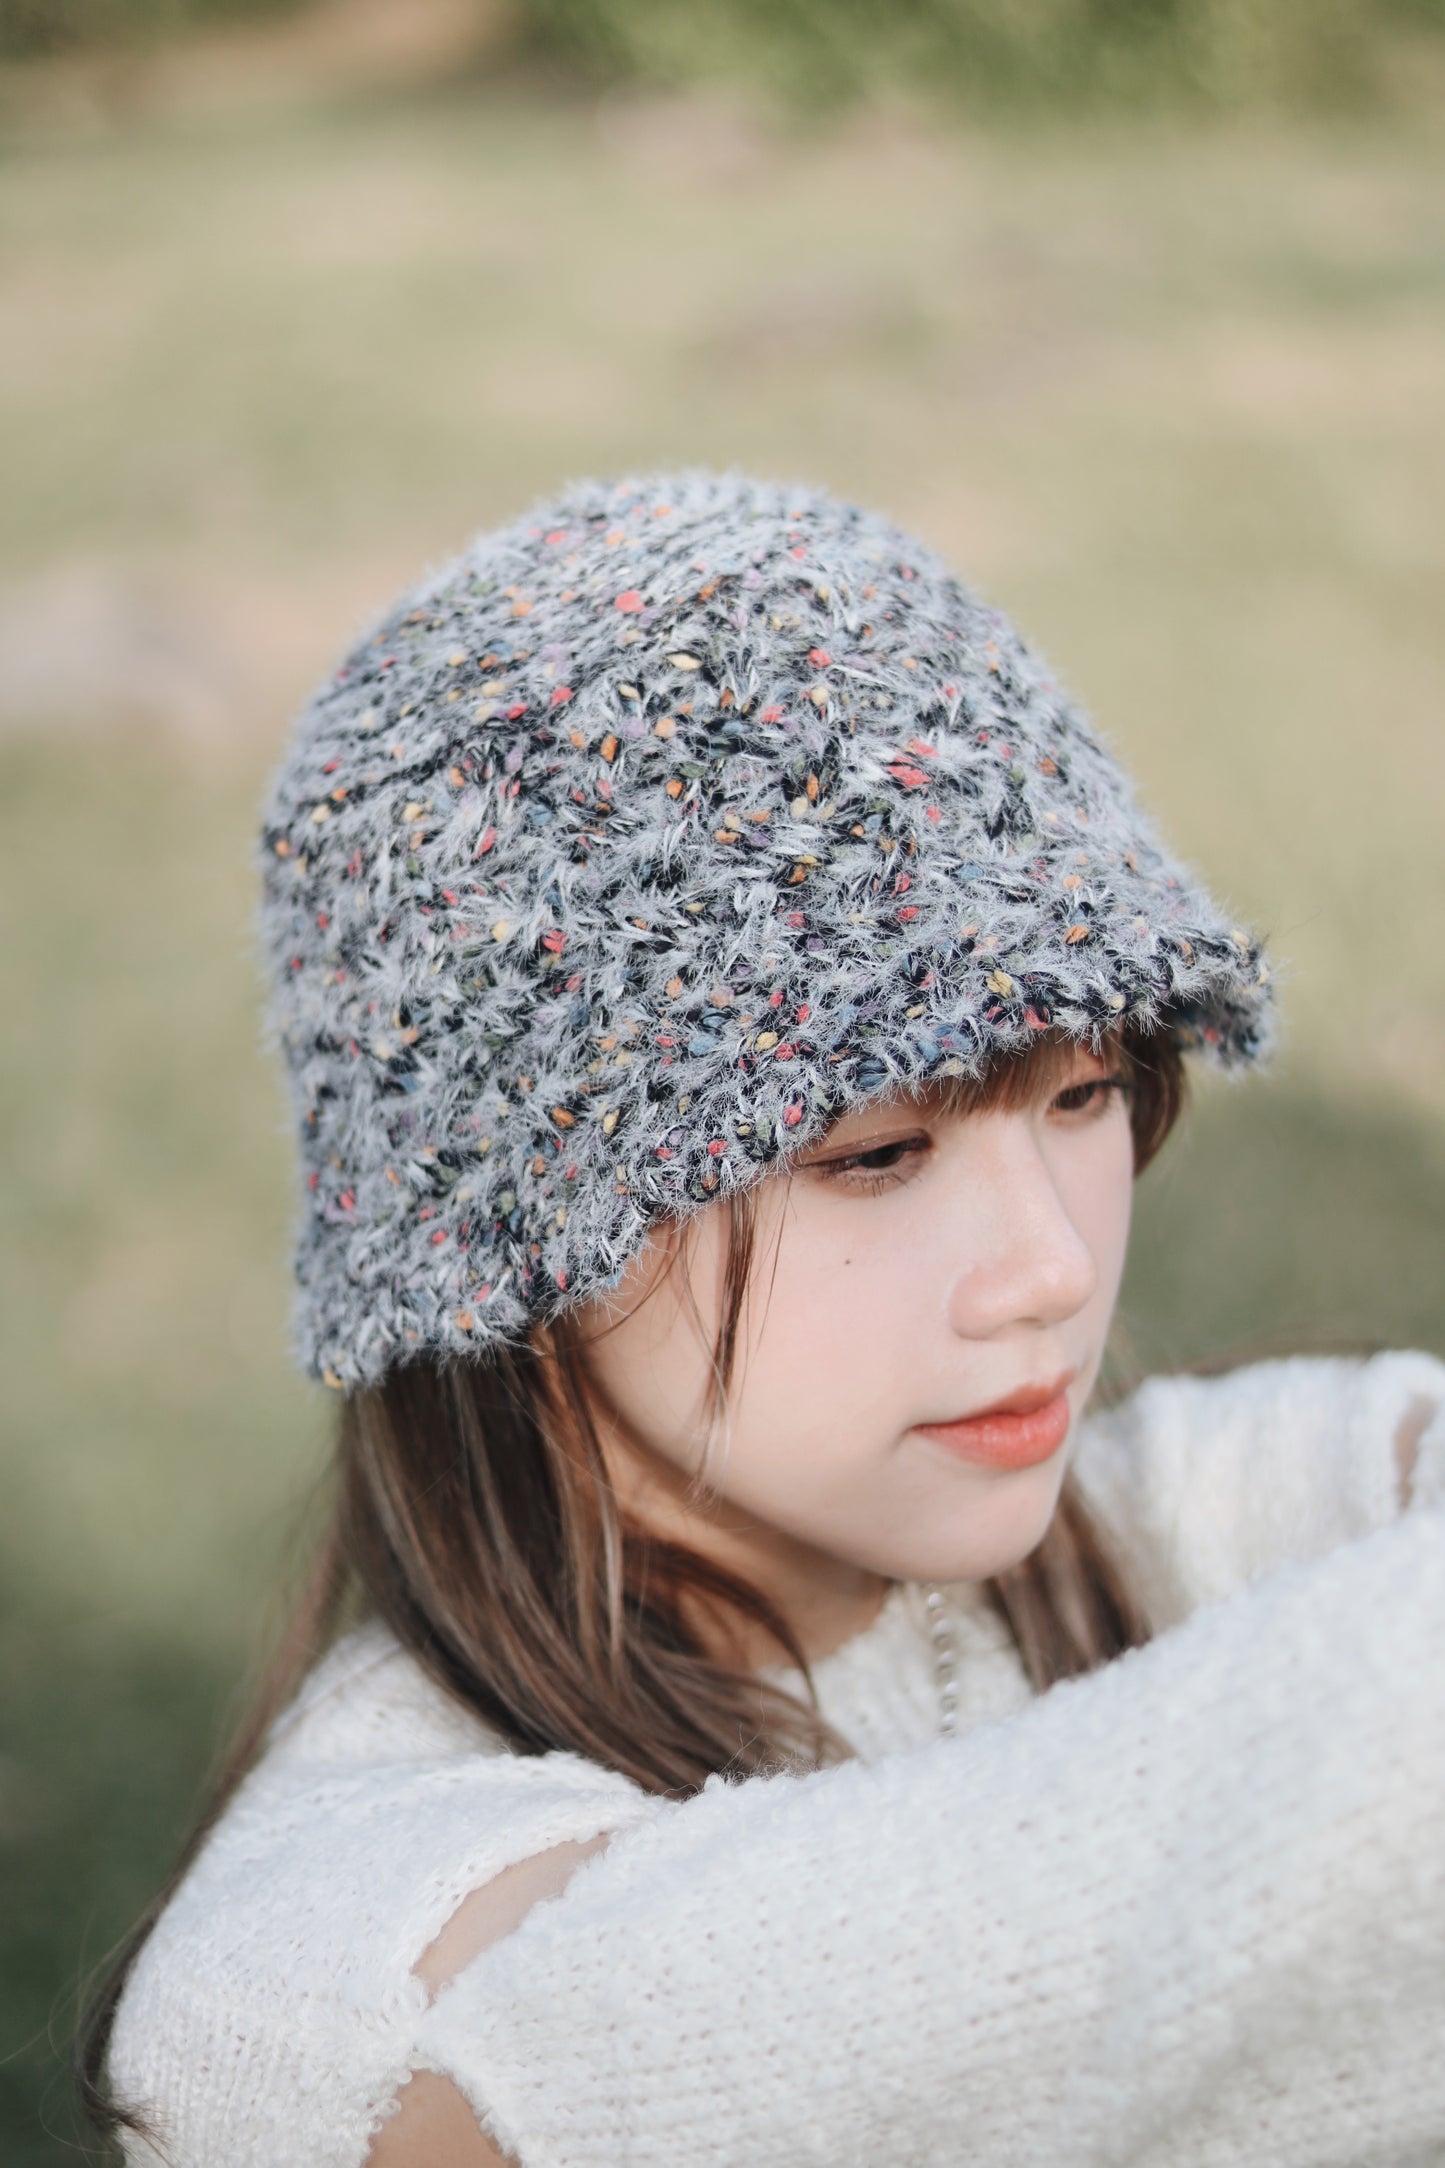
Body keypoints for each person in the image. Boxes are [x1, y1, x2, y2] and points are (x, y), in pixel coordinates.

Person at [80, 468, 1445, 2167]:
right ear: (510, 1238)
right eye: (875, 1151)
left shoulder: (1163, 1534)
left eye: (1087, 1096)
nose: (1051, 1270)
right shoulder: (339, 1990)